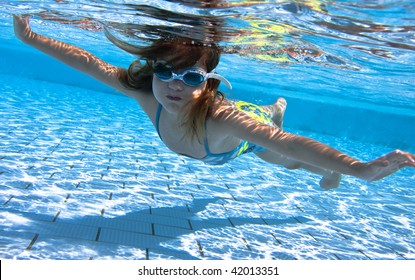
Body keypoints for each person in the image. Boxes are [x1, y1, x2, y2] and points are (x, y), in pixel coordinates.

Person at [13, 15, 415, 190]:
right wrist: (31, 38)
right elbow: (89, 63)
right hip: (220, 141)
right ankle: (274, 111)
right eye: (166, 72)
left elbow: (291, 144)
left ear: (207, 83)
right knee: (276, 140)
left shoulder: (221, 116)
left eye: (190, 76)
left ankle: (277, 113)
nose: (174, 85)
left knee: (282, 154)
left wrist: (357, 167)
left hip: (241, 138)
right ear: (153, 72)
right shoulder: (142, 90)